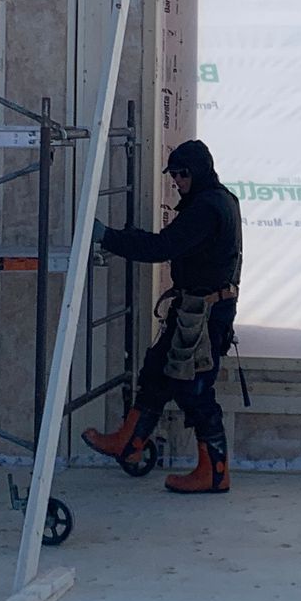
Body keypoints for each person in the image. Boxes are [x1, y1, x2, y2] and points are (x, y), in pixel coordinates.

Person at [85, 138, 241, 495]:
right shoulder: (220, 200)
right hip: (195, 308)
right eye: (173, 177)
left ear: (198, 171)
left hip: (205, 314)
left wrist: (107, 237)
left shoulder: (207, 207)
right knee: (156, 369)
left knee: (195, 388)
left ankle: (215, 473)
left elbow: (161, 247)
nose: (177, 183)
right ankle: (130, 441)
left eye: (182, 175)